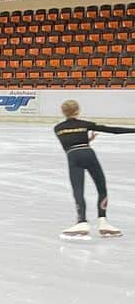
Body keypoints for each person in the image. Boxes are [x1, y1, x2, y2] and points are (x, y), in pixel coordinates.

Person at [53, 99, 135, 238]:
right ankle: (103, 221)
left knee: (78, 189)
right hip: (88, 153)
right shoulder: (85, 124)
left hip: (73, 156)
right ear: (78, 111)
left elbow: (68, 144)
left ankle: (82, 221)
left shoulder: (58, 128)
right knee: (101, 187)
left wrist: (84, 141)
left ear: (63, 112)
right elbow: (113, 130)